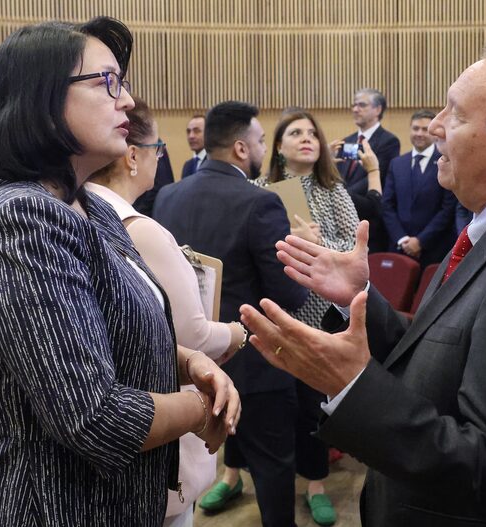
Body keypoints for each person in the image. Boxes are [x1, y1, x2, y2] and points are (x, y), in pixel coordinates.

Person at [240, 41, 486, 526]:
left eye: (455, 115)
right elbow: (443, 355)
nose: (435, 126)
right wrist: (361, 296)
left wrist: (350, 386)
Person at [0, 17, 239, 526]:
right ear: (42, 97)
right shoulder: (21, 218)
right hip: (55, 508)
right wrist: (200, 406)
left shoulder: (90, 207)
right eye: (107, 82)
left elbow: (110, 329)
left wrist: (188, 362)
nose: (126, 100)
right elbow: (96, 418)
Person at [85, 96, 248, 527]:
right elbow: (188, 332)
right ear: (133, 156)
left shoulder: (81, 214)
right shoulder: (138, 228)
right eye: (159, 149)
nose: (161, 159)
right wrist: (237, 333)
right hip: (146, 414)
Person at [154, 101, 308, 527]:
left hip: (184, 361)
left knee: (183, 479)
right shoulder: (260, 203)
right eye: (260, 141)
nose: (264, 149)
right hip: (255, 361)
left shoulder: (167, 197)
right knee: (274, 467)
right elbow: (286, 296)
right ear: (241, 149)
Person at [250, 109, 360, 526]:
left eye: (312, 133)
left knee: (312, 408)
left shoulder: (333, 190)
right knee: (270, 405)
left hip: (323, 315)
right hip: (275, 312)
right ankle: (236, 472)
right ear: (278, 145)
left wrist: (314, 244)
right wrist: (290, 240)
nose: (306, 139)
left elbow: (352, 250)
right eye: (295, 133)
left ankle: (315, 483)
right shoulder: (258, 189)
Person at [382, 109, 457, 266]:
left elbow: (448, 208)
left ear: (434, 133)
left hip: (434, 249)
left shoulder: (446, 162)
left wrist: (420, 241)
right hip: (399, 248)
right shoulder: (397, 164)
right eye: (415, 128)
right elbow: (387, 205)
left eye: (425, 129)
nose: (419, 133)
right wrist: (402, 239)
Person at [336, 88, 401, 253]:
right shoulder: (347, 141)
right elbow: (341, 174)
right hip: (344, 220)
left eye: (362, 105)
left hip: (369, 214)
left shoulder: (389, 141)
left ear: (377, 109)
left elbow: (379, 174)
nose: (355, 109)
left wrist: (343, 197)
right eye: (354, 105)